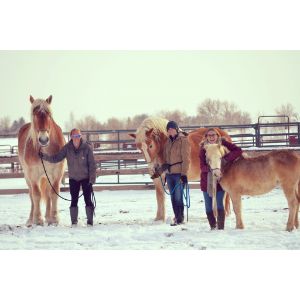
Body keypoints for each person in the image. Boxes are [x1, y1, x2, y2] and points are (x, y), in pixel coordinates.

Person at [39, 128, 96, 226]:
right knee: (74, 200)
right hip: (74, 179)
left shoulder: (87, 148)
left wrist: (92, 178)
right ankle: (74, 222)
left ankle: (90, 222)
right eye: (74, 136)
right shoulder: (67, 148)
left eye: (78, 136)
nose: (76, 138)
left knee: (88, 200)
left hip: (86, 178)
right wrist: (44, 156)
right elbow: (56, 158)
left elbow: (92, 164)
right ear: (71, 137)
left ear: (80, 136)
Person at [199, 128, 242, 230]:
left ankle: (221, 227)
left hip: (220, 180)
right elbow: (202, 166)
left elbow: (238, 151)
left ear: (217, 136)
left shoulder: (223, 144)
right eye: (209, 135)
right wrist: (211, 168)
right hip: (207, 180)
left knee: (219, 204)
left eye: (213, 135)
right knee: (208, 207)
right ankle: (213, 227)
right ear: (206, 137)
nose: (211, 137)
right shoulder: (203, 148)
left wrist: (225, 159)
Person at [159, 120, 190, 226]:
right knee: (172, 197)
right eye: (168, 129)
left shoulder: (183, 140)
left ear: (176, 129)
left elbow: (186, 159)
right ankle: (177, 217)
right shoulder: (167, 142)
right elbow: (165, 156)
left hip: (178, 173)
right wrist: (164, 166)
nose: (170, 131)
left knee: (178, 196)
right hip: (169, 173)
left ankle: (180, 218)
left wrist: (184, 174)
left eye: (172, 129)